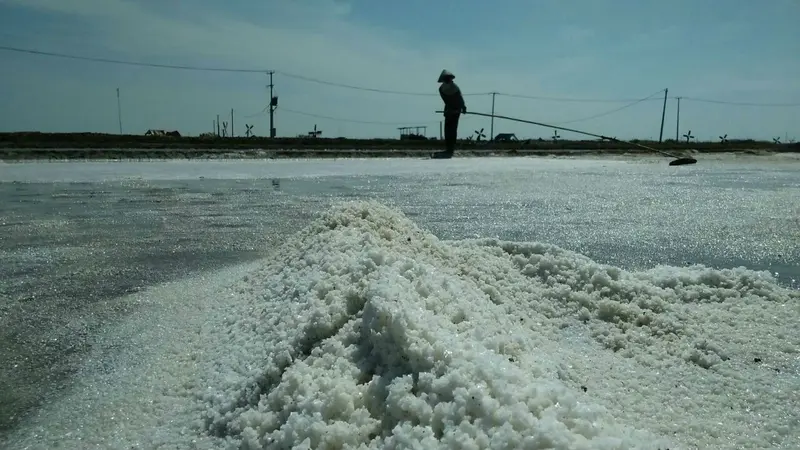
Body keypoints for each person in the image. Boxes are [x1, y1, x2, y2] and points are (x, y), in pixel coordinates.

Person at [434, 69, 467, 159]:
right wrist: (449, 109)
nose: (449, 80)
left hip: (456, 111)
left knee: (453, 129)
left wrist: (463, 107)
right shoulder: (441, 89)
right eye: (447, 78)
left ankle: (451, 150)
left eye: (449, 78)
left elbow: (460, 99)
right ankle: (448, 149)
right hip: (448, 110)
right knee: (447, 129)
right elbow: (446, 101)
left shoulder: (455, 87)